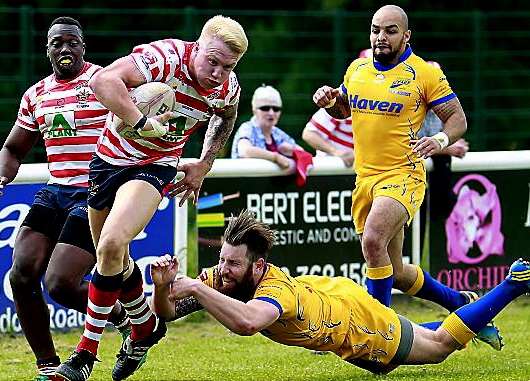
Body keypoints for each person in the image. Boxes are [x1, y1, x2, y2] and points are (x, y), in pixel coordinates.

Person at [55, 15, 248, 381]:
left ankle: (84, 353)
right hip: (107, 161)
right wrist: (139, 120)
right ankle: (144, 327)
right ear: (197, 46)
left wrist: (204, 164)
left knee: (112, 243)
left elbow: (226, 115)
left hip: (156, 166)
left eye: (228, 66)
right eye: (213, 61)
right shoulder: (165, 57)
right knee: (111, 257)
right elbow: (102, 81)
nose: (219, 72)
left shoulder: (226, 87)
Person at [149, 209, 528, 375]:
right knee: (387, 365)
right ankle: (468, 320)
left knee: (440, 347)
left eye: (233, 263)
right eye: (222, 260)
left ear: (258, 265)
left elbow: (249, 323)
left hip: (355, 322)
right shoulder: (224, 277)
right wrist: (164, 288)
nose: (223, 270)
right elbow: (166, 314)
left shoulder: (276, 290)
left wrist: (197, 288)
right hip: (331, 296)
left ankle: (513, 284)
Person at [0, 17, 132, 381]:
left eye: (72, 43)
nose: (65, 49)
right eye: (57, 44)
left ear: (83, 48)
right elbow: (13, 148)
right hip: (56, 190)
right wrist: (0, 173)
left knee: (60, 284)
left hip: (96, 190)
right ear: (47, 50)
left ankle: (131, 320)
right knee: (21, 276)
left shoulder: (103, 82)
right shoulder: (36, 94)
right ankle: (48, 366)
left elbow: (135, 124)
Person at [312, 5, 471, 310]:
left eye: (390, 31)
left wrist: (439, 140)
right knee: (395, 273)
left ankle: (379, 333)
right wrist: (329, 101)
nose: (381, 37)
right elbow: (344, 110)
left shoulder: (424, 73)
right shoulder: (357, 69)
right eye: (375, 30)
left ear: (406, 35)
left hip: (403, 175)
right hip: (365, 179)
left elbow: (457, 119)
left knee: (373, 240)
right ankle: (460, 302)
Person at [419, 60, 470, 220]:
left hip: (435, 159)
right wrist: (448, 148)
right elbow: (413, 144)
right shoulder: (412, 103)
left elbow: (453, 126)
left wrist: (453, 141)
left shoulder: (445, 101)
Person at [231, 84, 305, 170]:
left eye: (276, 109)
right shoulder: (247, 128)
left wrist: (292, 152)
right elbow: (245, 151)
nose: (271, 113)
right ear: (254, 111)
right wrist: (275, 157)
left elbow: (302, 152)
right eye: (265, 108)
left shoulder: (277, 132)